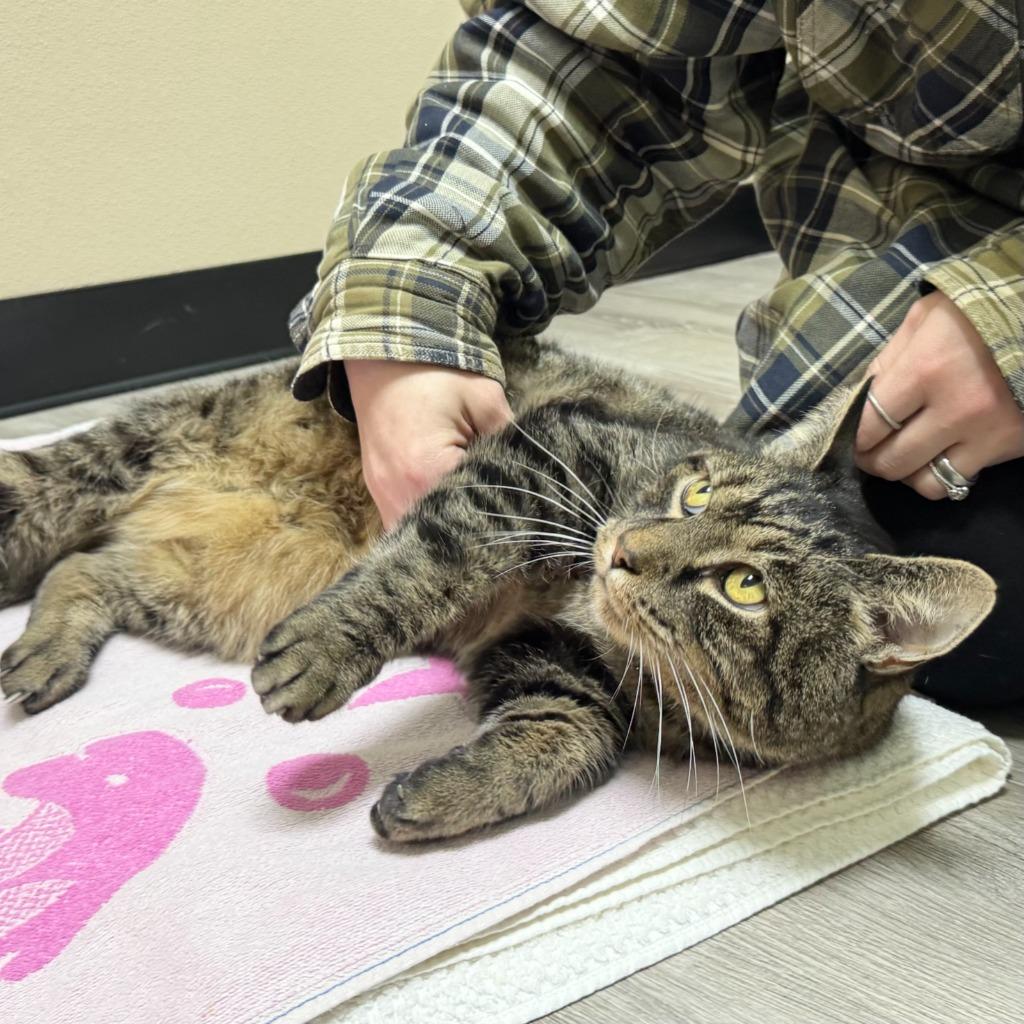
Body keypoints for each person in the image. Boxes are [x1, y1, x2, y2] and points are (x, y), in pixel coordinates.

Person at [288, 1, 1024, 706]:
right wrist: (410, 310)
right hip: (911, 278)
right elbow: (603, 67)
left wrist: (1011, 315)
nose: (634, 548)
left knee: (975, 623)